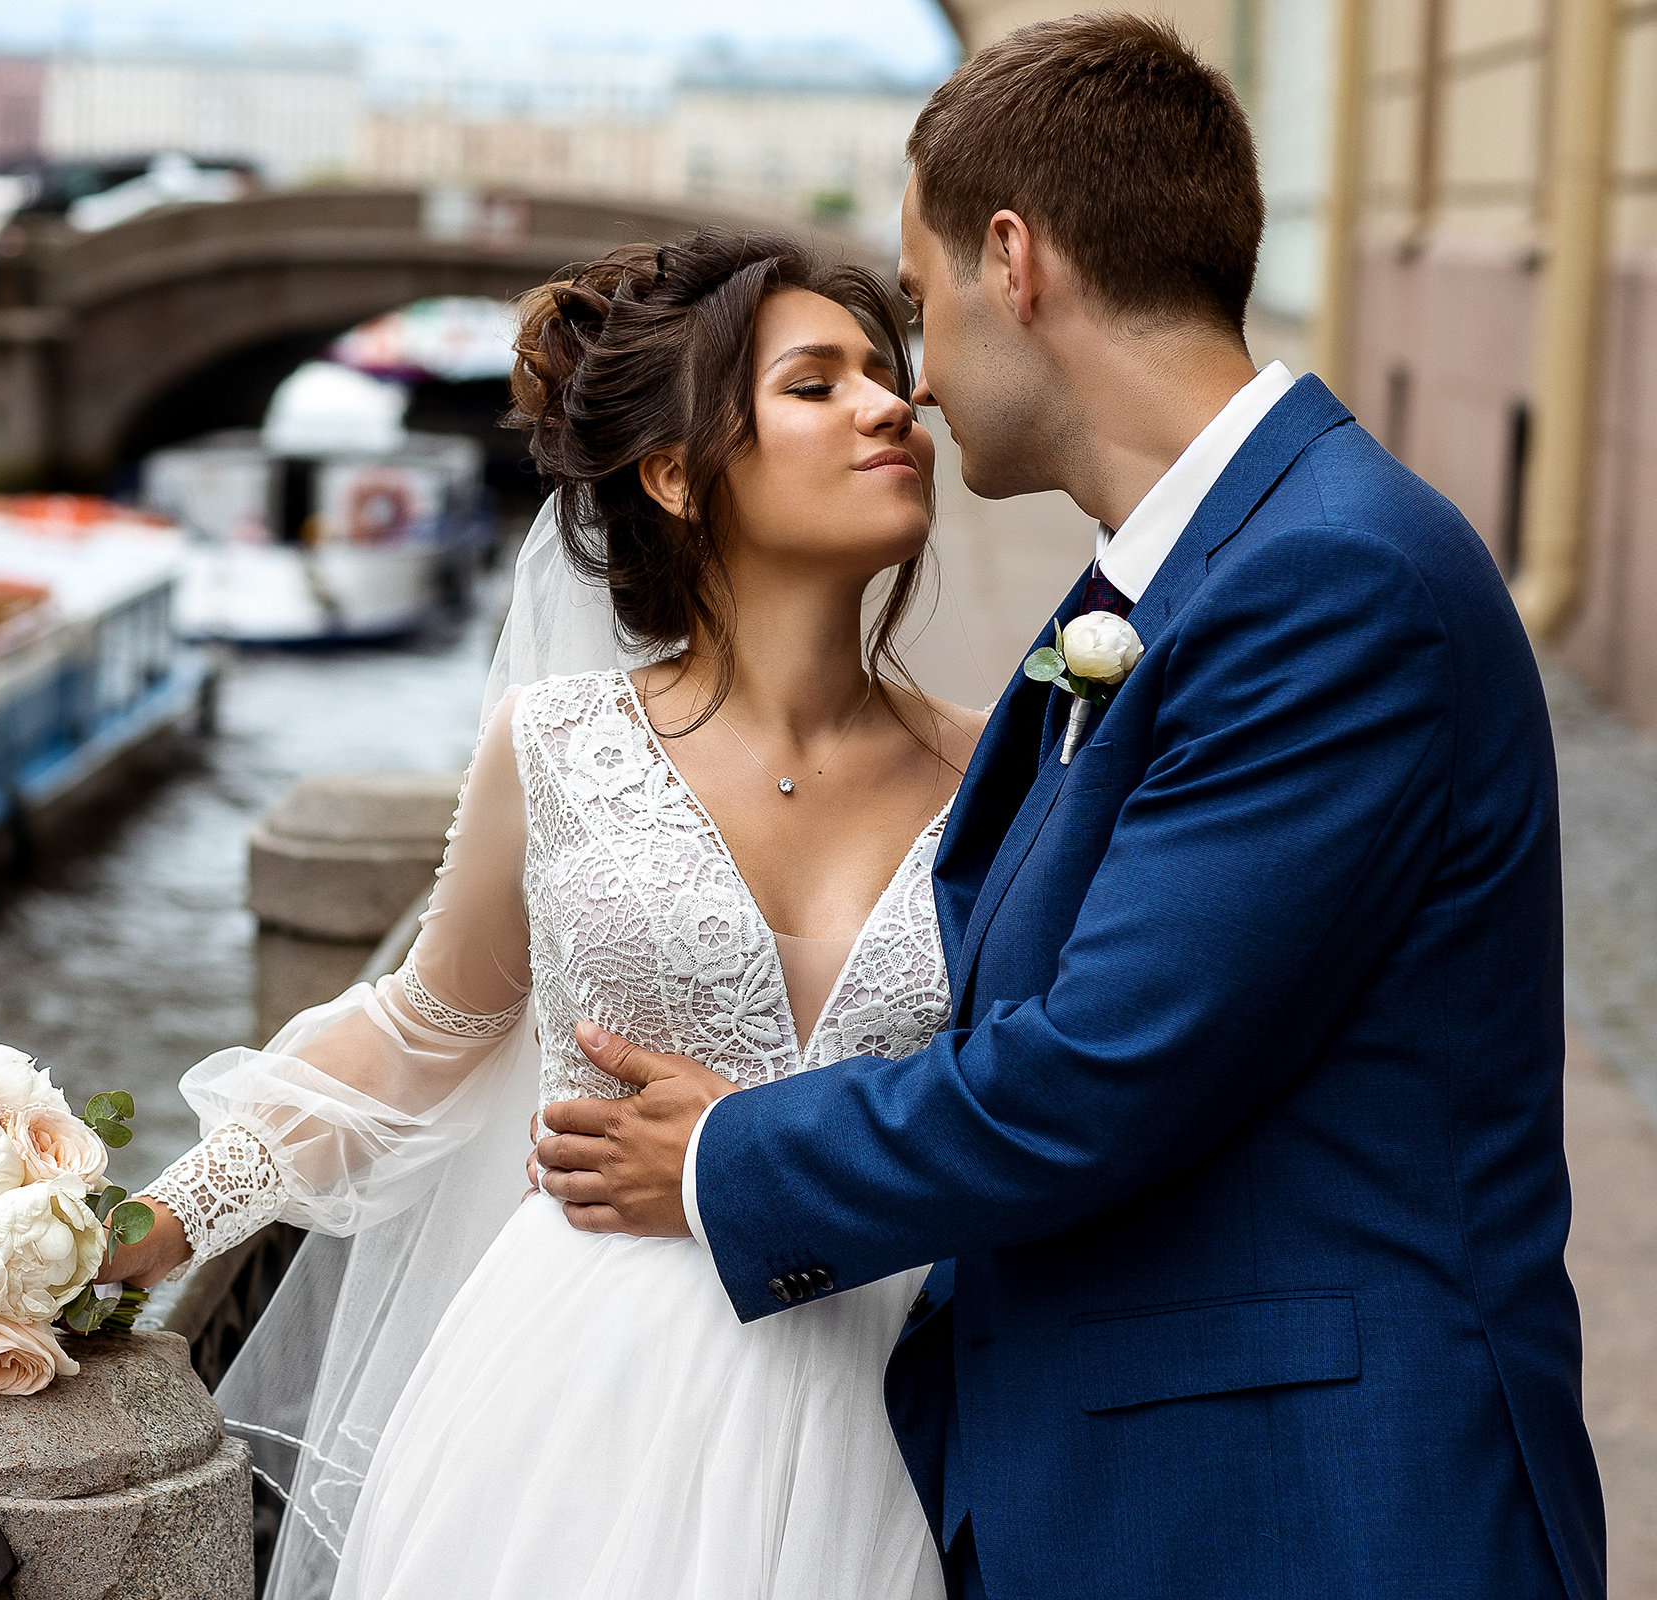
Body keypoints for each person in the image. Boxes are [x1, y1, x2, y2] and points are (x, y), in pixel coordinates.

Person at [531, 17, 1605, 1600]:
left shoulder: (1331, 581)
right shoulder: (1177, 574)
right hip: (1152, 1474)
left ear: (1013, 263)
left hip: (1316, 1507)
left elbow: (1101, 1069)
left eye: (918, 304)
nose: (920, 379)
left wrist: (729, 1157)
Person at [97, 230, 980, 1598]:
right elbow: (424, 1028)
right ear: (680, 474)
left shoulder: (1013, 769)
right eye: (818, 384)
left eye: (887, 371)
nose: (891, 405)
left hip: (912, 1394)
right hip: (582, 1403)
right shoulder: (556, 745)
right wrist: (151, 1227)